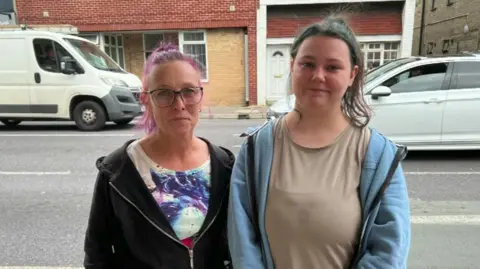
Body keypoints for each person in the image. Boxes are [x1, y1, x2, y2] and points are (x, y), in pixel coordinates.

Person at [227, 17, 411, 269]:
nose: (318, 76)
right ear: (292, 66)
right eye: (307, 64)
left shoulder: (379, 157)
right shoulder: (256, 149)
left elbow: (389, 251)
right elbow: (242, 243)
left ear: (352, 75)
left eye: (333, 67)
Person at [84, 42, 235, 269]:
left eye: (188, 91)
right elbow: (98, 255)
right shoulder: (118, 171)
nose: (179, 104)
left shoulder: (224, 165)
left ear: (200, 96)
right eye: (164, 93)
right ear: (147, 100)